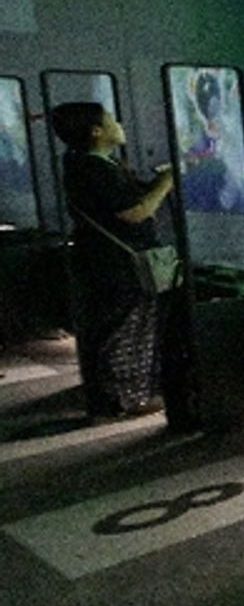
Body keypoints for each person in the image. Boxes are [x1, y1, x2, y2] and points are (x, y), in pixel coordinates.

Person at [51, 102, 176, 419]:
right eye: (110, 120)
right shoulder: (96, 169)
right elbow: (135, 212)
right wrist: (166, 182)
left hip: (104, 263)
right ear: (96, 132)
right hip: (120, 268)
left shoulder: (80, 163)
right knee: (126, 331)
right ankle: (125, 400)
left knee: (115, 329)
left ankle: (116, 396)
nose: (118, 123)